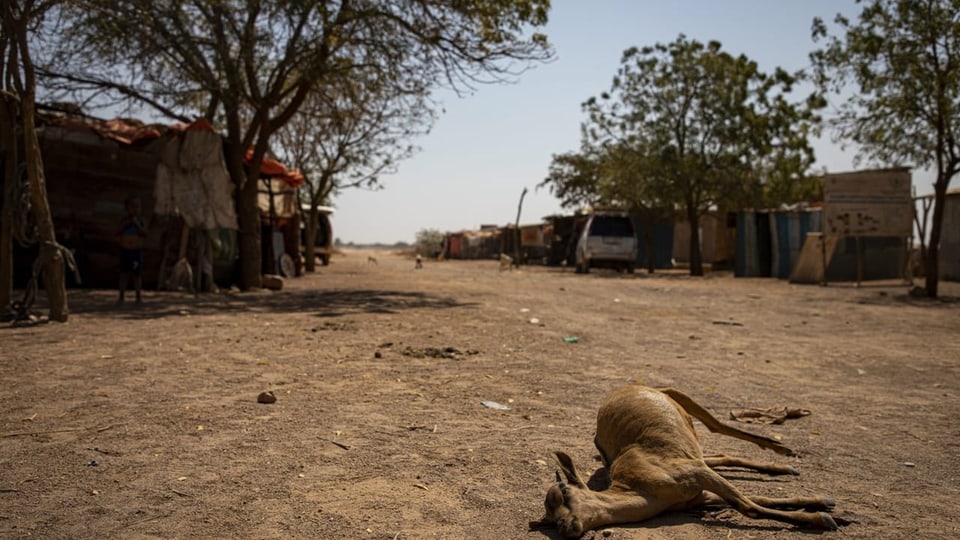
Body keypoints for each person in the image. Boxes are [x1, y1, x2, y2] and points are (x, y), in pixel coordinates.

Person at [117, 197, 147, 304]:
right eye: (132, 207)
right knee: (123, 274)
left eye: (138, 207)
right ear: (127, 208)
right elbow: (118, 231)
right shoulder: (124, 220)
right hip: (125, 251)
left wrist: (137, 224)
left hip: (136, 251)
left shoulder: (141, 221)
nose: (135, 209)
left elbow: (145, 233)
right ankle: (121, 296)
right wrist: (128, 223)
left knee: (137, 275)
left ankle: (138, 297)